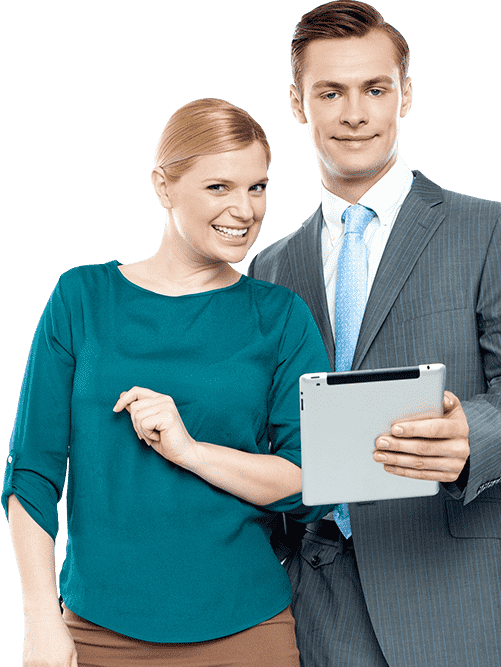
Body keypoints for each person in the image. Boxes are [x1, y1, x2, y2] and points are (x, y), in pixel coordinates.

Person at [247, 2, 501, 666]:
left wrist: (471, 435)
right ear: (298, 103)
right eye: (330, 92)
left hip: (462, 595)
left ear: (406, 95)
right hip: (323, 606)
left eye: (375, 89)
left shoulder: (490, 229)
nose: (354, 113)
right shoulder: (273, 265)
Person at [2, 97, 332, 667]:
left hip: (247, 629)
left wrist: (191, 451)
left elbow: (311, 483)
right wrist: (40, 622)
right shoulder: (82, 299)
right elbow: (31, 473)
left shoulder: (280, 316)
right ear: (163, 185)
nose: (244, 209)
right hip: (97, 629)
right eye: (219, 187)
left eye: (257, 187)